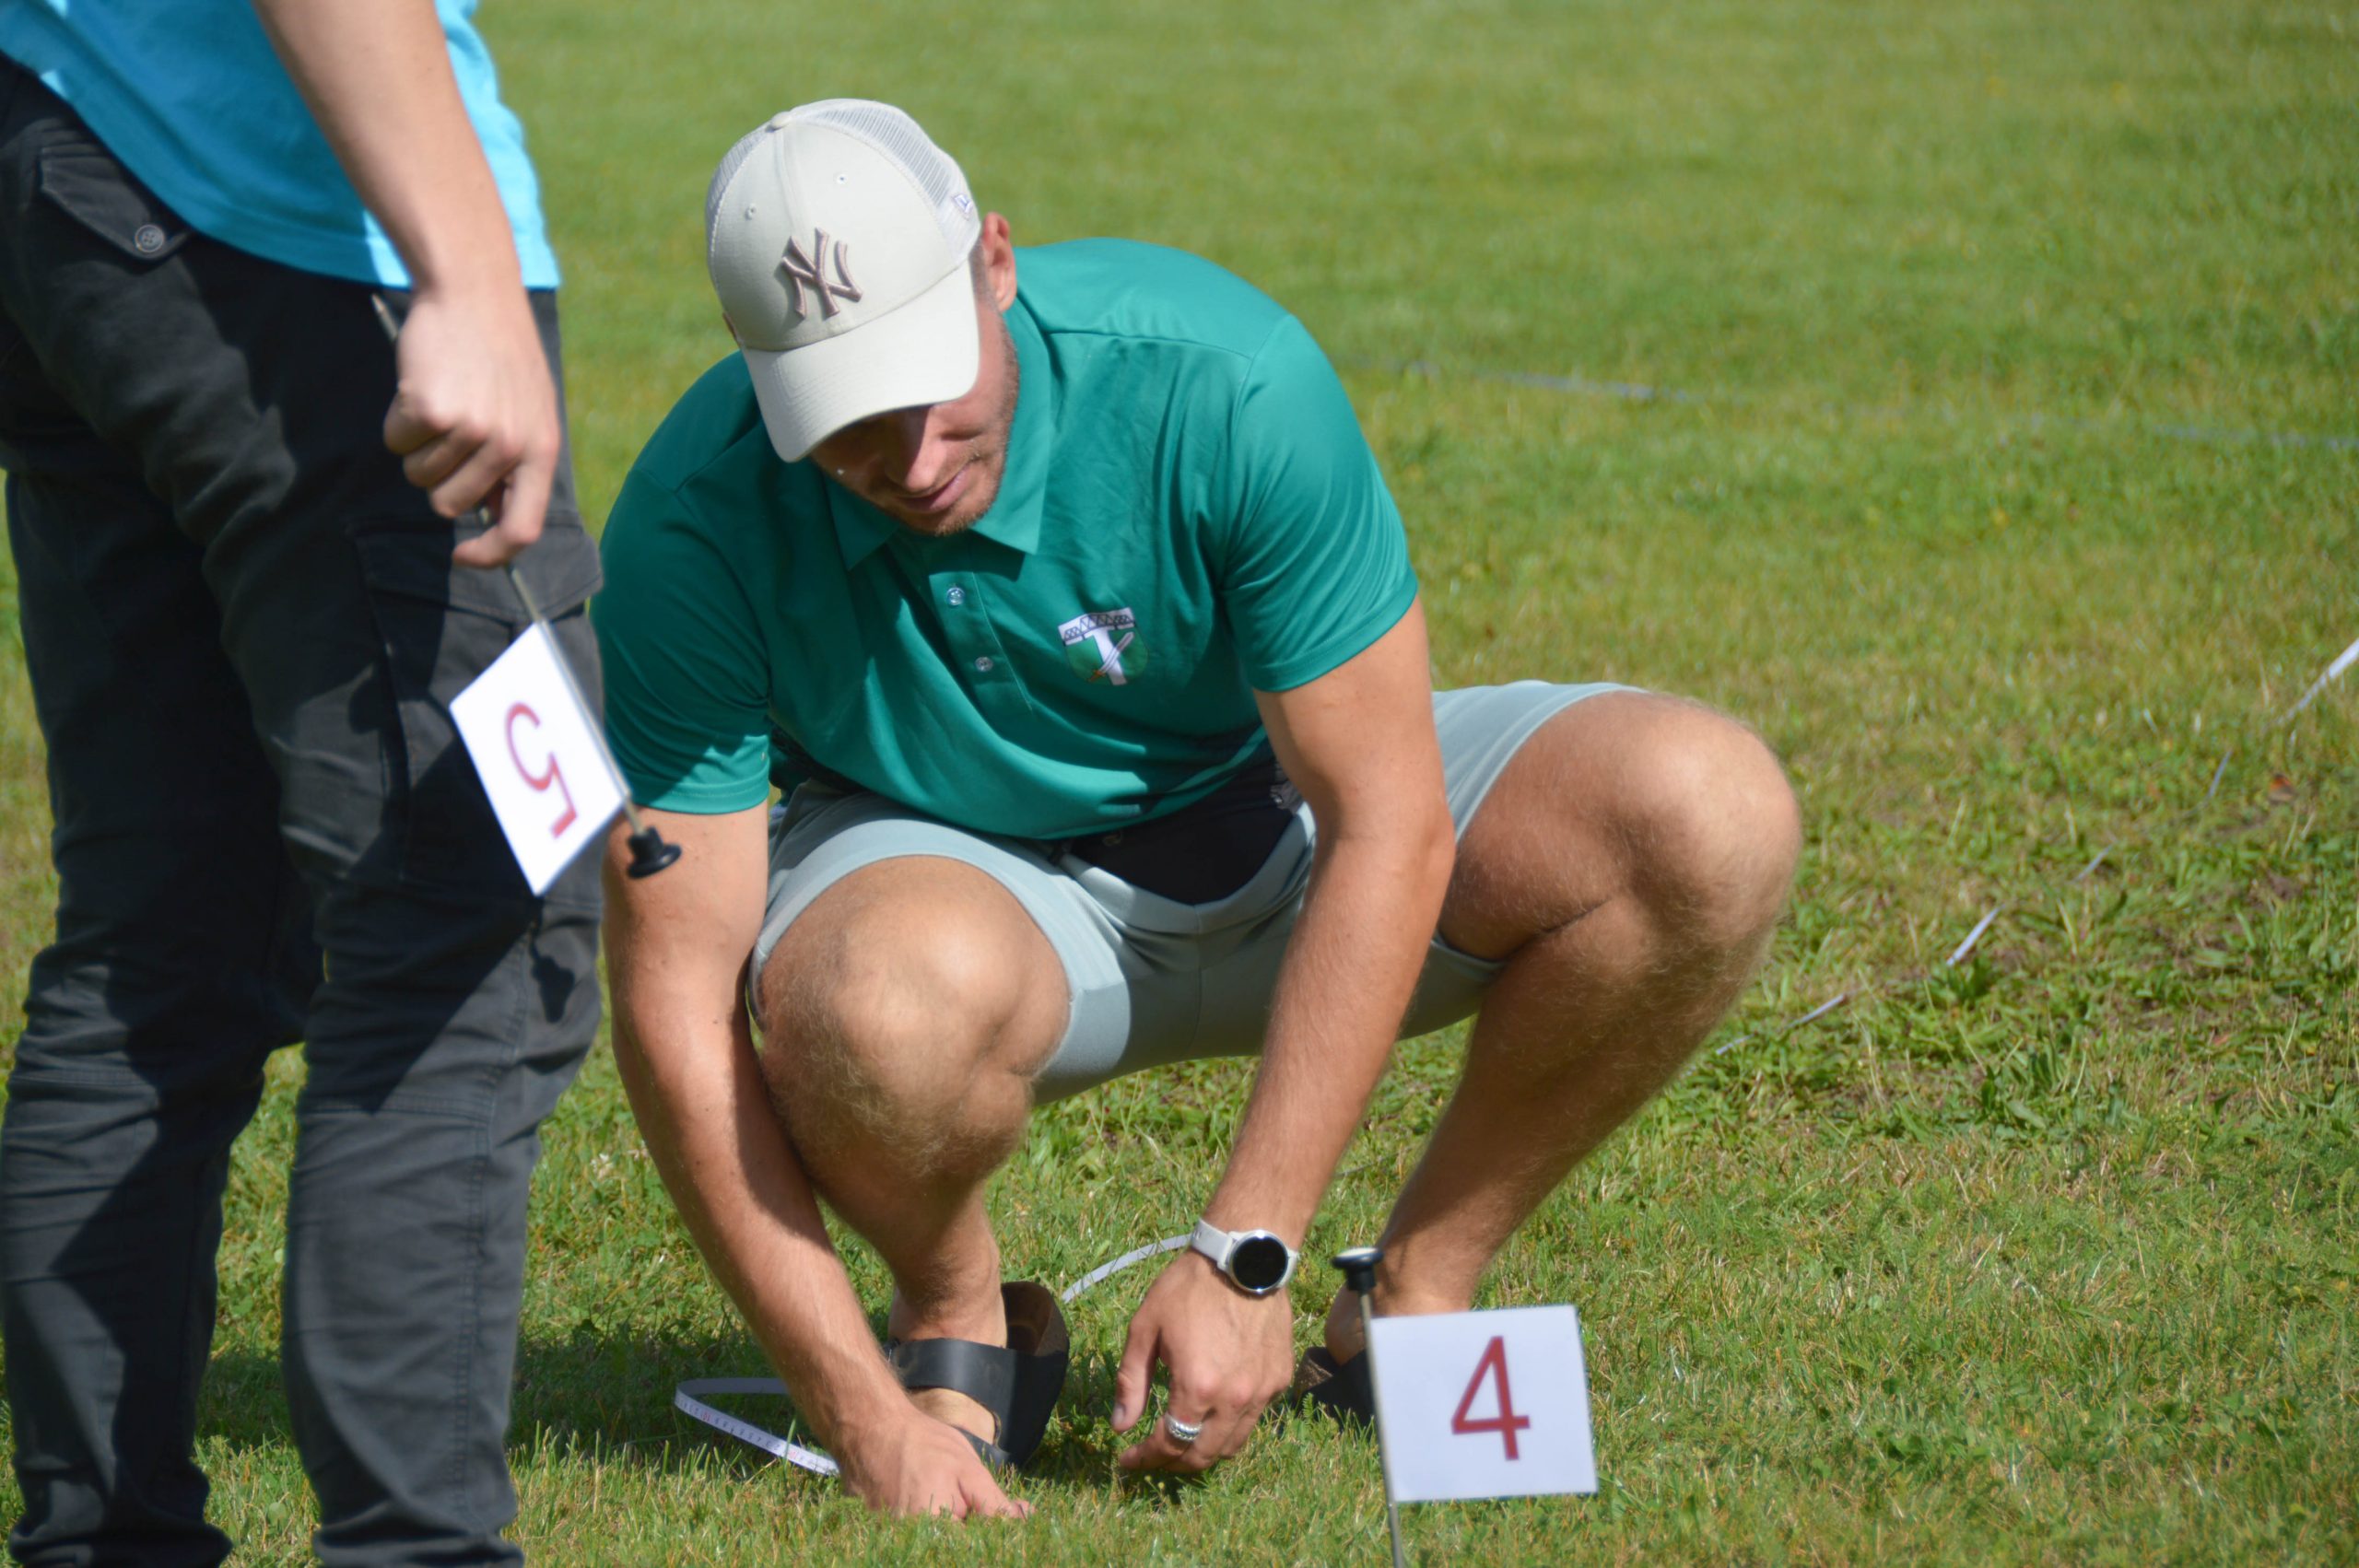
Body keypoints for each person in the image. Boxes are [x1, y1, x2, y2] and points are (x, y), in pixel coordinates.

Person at [595, 99, 1801, 1520]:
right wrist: (858, 1421)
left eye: (926, 386)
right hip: (956, 885)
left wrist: (1247, 1252)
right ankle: (959, 1320)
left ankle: (1418, 1289)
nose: (911, 462)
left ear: (996, 264)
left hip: (1278, 820)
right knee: (871, 1008)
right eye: (848, 423)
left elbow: (1389, 819)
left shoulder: (1222, 378)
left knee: (1708, 811)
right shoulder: (690, 522)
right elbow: (672, 1005)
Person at [0, 2, 602, 1563]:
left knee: (160, 941)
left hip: (68, 168)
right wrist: (463, 269)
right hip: (289, 226)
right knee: (463, 935)